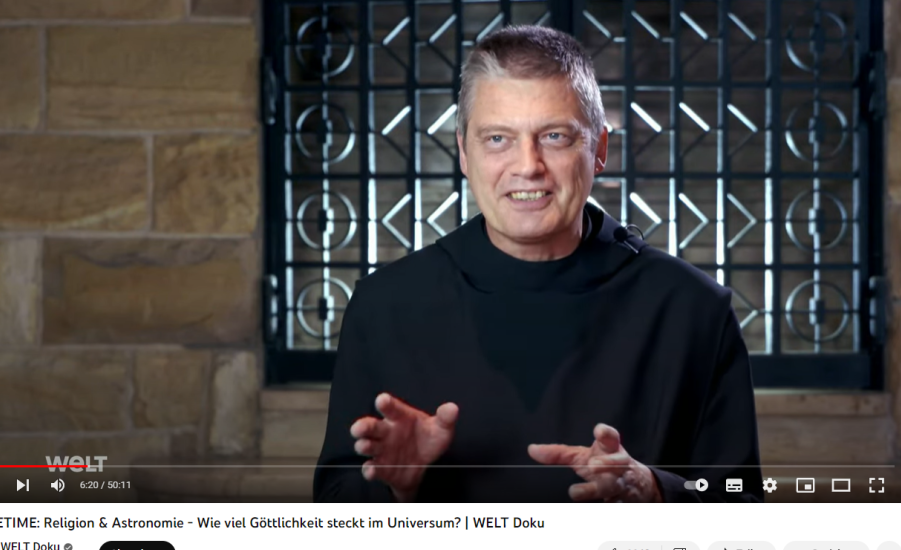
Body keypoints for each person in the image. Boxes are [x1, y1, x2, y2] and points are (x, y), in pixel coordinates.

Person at [314, 25, 762, 503]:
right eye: (498, 138)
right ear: (464, 152)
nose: (528, 165)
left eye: (554, 136)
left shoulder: (694, 310)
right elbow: (334, 505)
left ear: (600, 149)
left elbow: (741, 500)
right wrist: (397, 488)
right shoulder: (383, 305)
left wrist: (653, 491)